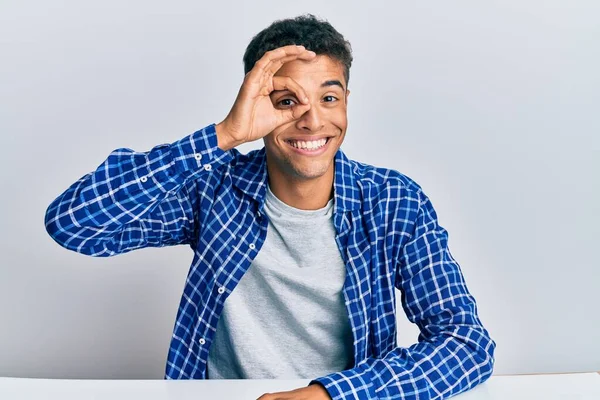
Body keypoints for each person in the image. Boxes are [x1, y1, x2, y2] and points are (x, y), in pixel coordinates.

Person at [45, 14, 495, 400]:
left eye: (328, 98)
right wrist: (223, 136)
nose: (313, 120)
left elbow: (465, 343)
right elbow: (74, 224)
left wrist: (329, 394)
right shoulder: (213, 189)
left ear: (346, 104)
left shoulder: (394, 201)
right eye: (286, 101)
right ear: (256, 104)